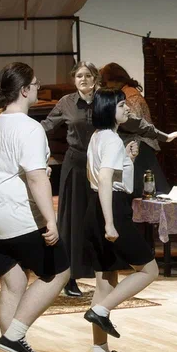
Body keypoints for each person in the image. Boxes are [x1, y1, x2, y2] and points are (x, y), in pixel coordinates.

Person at [0, 62, 70, 352]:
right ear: (24, 90)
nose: (38, 86)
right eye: (35, 82)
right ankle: (15, 336)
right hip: (16, 214)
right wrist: (51, 219)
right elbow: (35, 177)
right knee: (59, 271)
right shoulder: (29, 128)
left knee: (14, 283)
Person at [82, 88, 158, 352]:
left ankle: (100, 349)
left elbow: (110, 177)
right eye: (122, 105)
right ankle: (101, 310)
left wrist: (127, 159)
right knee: (149, 269)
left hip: (96, 207)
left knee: (105, 280)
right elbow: (105, 181)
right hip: (110, 208)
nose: (127, 109)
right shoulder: (112, 140)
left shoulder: (98, 137)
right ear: (108, 109)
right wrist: (110, 223)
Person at [40, 61, 108, 297]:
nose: (84, 79)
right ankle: (69, 276)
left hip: (101, 166)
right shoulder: (66, 102)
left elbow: (124, 123)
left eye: (88, 75)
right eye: (79, 76)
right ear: (74, 79)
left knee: (99, 219)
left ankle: (103, 275)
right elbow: (46, 126)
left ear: (95, 78)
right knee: (72, 221)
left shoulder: (104, 100)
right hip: (76, 165)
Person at [99, 62, 177, 197]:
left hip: (138, 146)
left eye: (106, 83)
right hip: (137, 145)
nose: (106, 87)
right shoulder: (128, 93)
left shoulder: (130, 96)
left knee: (144, 191)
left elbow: (134, 123)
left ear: (115, 80)